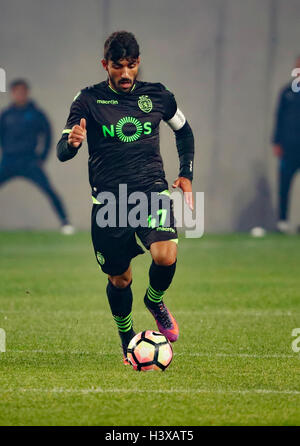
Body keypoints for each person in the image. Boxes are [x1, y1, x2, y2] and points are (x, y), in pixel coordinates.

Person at [57, 31, 195, 363]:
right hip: (109, 205)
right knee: (120, 280)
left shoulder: (159, 96)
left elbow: (184, 130)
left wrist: (186, 173)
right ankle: (126, 337)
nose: (125, 73)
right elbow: (62, 150)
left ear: (138, 64)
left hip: (151, 193)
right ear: (105, 65)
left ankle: (155, 300)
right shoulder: (87, 100)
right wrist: (72, 143)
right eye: (118, 66)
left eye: (131, 65)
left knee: (166, 255)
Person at [0, 79, 74, 234]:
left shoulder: (36, 114)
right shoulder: (6, 115)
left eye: (23, 91)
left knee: (49, 190)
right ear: (12, 94)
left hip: (30, 161)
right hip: (9, 160)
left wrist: (42, 157)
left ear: (27, 92)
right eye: (17, 92)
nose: (20, 95)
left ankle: (65, 223)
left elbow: (47, 135)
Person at [272, 56, 300, 233]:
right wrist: (276, 141)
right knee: (284, 183)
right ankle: (282, 221)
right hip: (289, 147)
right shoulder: (287, 92)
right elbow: (279, 118)